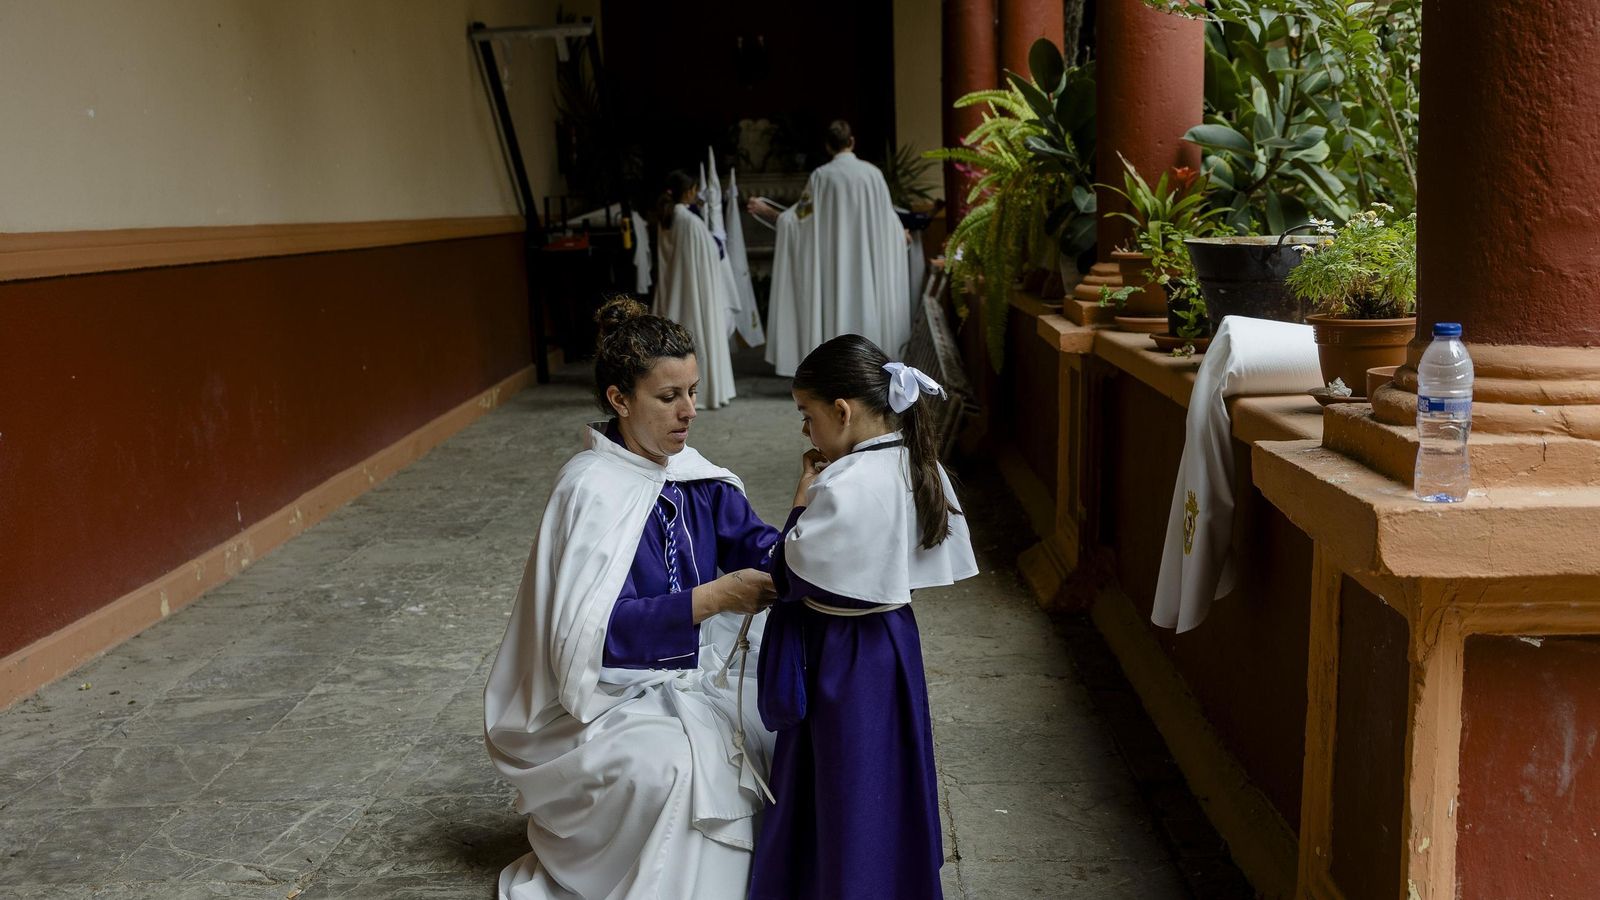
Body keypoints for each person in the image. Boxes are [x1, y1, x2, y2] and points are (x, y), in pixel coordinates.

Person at [484, 297, 781, 900]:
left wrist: (813, 528)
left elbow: (758, 544)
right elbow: (592, 638)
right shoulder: (589, 490)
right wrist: (713, 599)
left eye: (693, 392)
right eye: (668, 397)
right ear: (620, 400)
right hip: (598, 701)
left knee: (774, 732)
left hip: (692, 677)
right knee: (674, 767)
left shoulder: (696, 477)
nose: (689, 412)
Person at [748, 334, 979, 900]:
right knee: (887, 773)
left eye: (807, 415)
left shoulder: (844, 485)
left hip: (841, 653)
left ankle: (843, 880)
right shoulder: (916, 463)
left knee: (846, 779)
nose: (806, 430)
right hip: (892, 641)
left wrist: (802, 495)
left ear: (843, 411)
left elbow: (787, 572)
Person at [750, 121, 913, 376]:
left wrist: (769, 213)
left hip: (833, 270)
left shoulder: (821, 177)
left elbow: (799, 221)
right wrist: (898, 235)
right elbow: (888, 220)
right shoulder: (872, 175)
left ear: (828, 146)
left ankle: (836, 369)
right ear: (852, 141)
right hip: (867, 267)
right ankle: (870, 369)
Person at [655, 170, 739, 409]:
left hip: (675, 292)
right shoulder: (690, 221)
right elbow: (710, 255)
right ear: (689, 192)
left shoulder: (667, 218)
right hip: (695, 294)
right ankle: (704, 390)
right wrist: (717, 241)